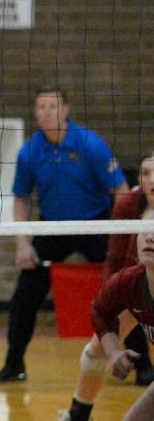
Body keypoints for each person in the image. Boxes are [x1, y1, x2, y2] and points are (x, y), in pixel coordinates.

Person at [0, 86, 129, 383]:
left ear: (65, 111)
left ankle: (142, 365)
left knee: (124, 288)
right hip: (52, 227)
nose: (45, 112)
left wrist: (124, 238)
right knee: (25, 295)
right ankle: (13, 364)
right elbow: (21, 198)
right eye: (40, 107)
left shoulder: (90, 144)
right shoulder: (29, 151)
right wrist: (22, 244)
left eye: (51, 107)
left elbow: (121, 192)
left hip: (96, 224)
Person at [60, 149, 154, 420]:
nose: (150, 179)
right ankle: (78, 412)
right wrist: (113, 294)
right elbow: (113, 258)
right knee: (97, 348)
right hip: (135, 287)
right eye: (145, 173)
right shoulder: (127, 205)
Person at [88, 207, 154, 421]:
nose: (149, 238)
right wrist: (114, 351)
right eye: (143, 230)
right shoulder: (128, 282)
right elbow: (100, 310)